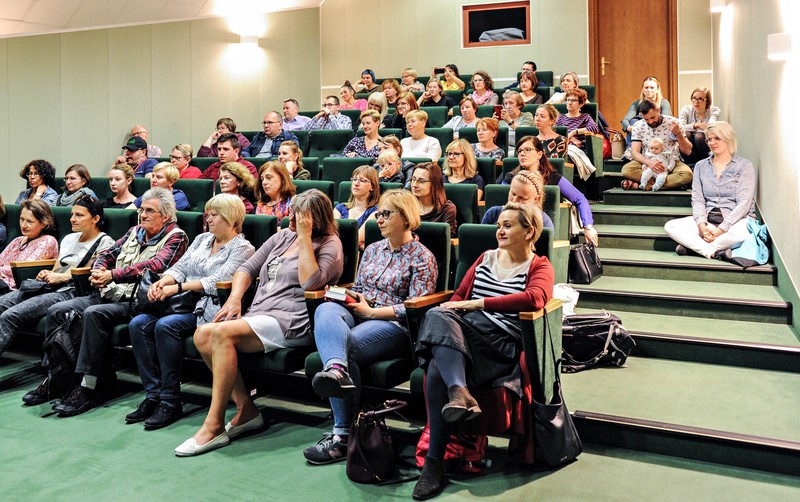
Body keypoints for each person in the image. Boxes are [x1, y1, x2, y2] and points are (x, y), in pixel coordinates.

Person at [174, 189, 343, 457]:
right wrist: (235, 299)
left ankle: (215, 424)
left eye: (298, 214)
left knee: (218, 335)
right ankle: (246, 409)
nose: (290, 216)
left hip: (292, 319)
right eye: (292, 211)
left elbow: (311, 283)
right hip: (260, 312)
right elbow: (246, 269)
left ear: (313, 218)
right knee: (202, 335)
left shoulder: (330, 244)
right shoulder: (281, 237)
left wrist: (305, 237)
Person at [412, 202, 554, 499]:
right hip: (466, 335)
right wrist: (463, 307)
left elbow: (535, 299)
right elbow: (457, 299)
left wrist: (479, 304)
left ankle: (434, 463)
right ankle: (458, 395)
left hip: (499, 343)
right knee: (438, 317)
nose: (499, 230)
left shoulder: (539, 265)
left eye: (508, 225)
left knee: (438, 347)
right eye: (499, 225)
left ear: (529, 231)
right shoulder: (485, 257)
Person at [304, 189, 437, 465]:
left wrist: (373, 311)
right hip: (363, 312)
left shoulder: (422, 257)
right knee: (327, 308)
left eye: (387, 214)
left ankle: (341, 435)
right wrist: (352, 297)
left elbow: (416, 307)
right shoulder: (374, 249)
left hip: (395, 325)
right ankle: (337, 371)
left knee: (346, 346)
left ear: (407, 217)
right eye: (379, 214)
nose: (380, 220)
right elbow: (362, 288)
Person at [41, 188, 189, 417]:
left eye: (150, 211)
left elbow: (156, 266)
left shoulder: (176, 237)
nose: (143, 215)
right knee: (57, 311)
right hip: (109, 292)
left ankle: (88, 387)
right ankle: (61, 380)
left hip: (137, 301)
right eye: (142, 210)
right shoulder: (135, 231)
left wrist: (113, 275)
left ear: (166, 216)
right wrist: (100, 270)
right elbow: (107, 253)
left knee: (93, 313)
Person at [126, 194, 255, 430]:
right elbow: (180, 266)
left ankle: (170, 401)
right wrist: (162, 282)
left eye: (214, 215)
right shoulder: (202, 239)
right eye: (208, 214)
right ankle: (153, 395)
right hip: (177, 300)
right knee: (139, 323)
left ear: (231, 218)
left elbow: (219, 279)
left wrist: (177, 287)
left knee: (166, 326)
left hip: (206, 306)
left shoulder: (243, 248)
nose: (209, 219)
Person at [1, 196, 114, 365]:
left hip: (71, 291)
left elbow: (94, 274)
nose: (72, 219)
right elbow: (57, 267)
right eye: (72, 214)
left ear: (95, 219)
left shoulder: (105, 242)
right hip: (49, 286)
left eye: (79, 215)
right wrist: (47, 273)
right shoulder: (69, 238)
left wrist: (62, 277)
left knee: (10, 316)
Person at [664, 122, 755, 259]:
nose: (712, 143)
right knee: (671, 226)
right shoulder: (701, 166)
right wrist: (702, 225)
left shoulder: (744, 166)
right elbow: (698, 199)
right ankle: (713, 252)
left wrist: (721, 230)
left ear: (728, 139)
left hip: (736, 221)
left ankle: (695, 248)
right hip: (709, 221)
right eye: (709, 139)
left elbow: (744, 203)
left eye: (717, 138)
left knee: (744, 234)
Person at [502, 136, 598, 246]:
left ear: (539, 154)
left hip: (541, 228)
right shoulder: (511, 177)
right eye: (519, 151)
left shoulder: (552, 178)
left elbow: (580, 199)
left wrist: (588, 227)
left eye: (527, 150)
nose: (522, 154)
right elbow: (498, 198)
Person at [620, 100, 693, 191]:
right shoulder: (638, 126)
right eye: (646, 119)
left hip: (670, 160)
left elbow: (688, 151)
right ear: (641, 115)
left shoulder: (673, 122)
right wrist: (649, 162)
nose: (650, 122)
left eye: (653, 117)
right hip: (647, 160)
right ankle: (660, 184)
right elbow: (635, 153)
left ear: (658, 111)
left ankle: (646, 184)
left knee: (687, 174)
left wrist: (678, 134)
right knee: (626, 170)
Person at [0, 199, 58, 291]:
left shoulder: (48, 241)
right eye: (22, 219)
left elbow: (22, 269)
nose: (23, 225)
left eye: (29, 222)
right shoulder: (17, 240)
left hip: (15, 287)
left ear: (44, 223)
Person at [482, 170, 554, 229]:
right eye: (513, 194)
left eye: (522, 198)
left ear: (535, 199)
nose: (514, 201)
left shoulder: (544, 222)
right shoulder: (493, 214)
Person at [334, 165, 380, 249]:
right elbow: (332, 236)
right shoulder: (339, 208)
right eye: (354, 179)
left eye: (362, 180)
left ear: (372, 187)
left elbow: (357, 239)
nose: (356, 183)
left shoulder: (375, 211)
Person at [621, 76, 672, 145]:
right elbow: (625, 121)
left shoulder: (663, 102)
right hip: (639, 132)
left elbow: (666, 120)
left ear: (657, 89)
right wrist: (630, 128)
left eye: (652, 87)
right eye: (646, 87)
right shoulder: (636, 103)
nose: (649, 90)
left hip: (658, 131)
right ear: (642, 89)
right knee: (633, 122)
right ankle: (630, 151)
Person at [410, 162, 457, 237]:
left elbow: (447, 238)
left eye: (421, 181)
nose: (414, 185)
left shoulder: (447, 209)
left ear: (434, 183)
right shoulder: (407, 206)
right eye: (413, 179)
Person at [679, 87, 721, 164]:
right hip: (689, 148)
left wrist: (693, 128)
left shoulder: (714, 110)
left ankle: (707, 163)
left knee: (699, 136)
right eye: (694, 98)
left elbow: (711, 127)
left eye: (700, 99)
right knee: (687, 134)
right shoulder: (686, 109)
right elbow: (680, 127)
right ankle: (691, 165)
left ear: (707, 101)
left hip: (705, 143)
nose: (696, 102)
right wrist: (696, 125)